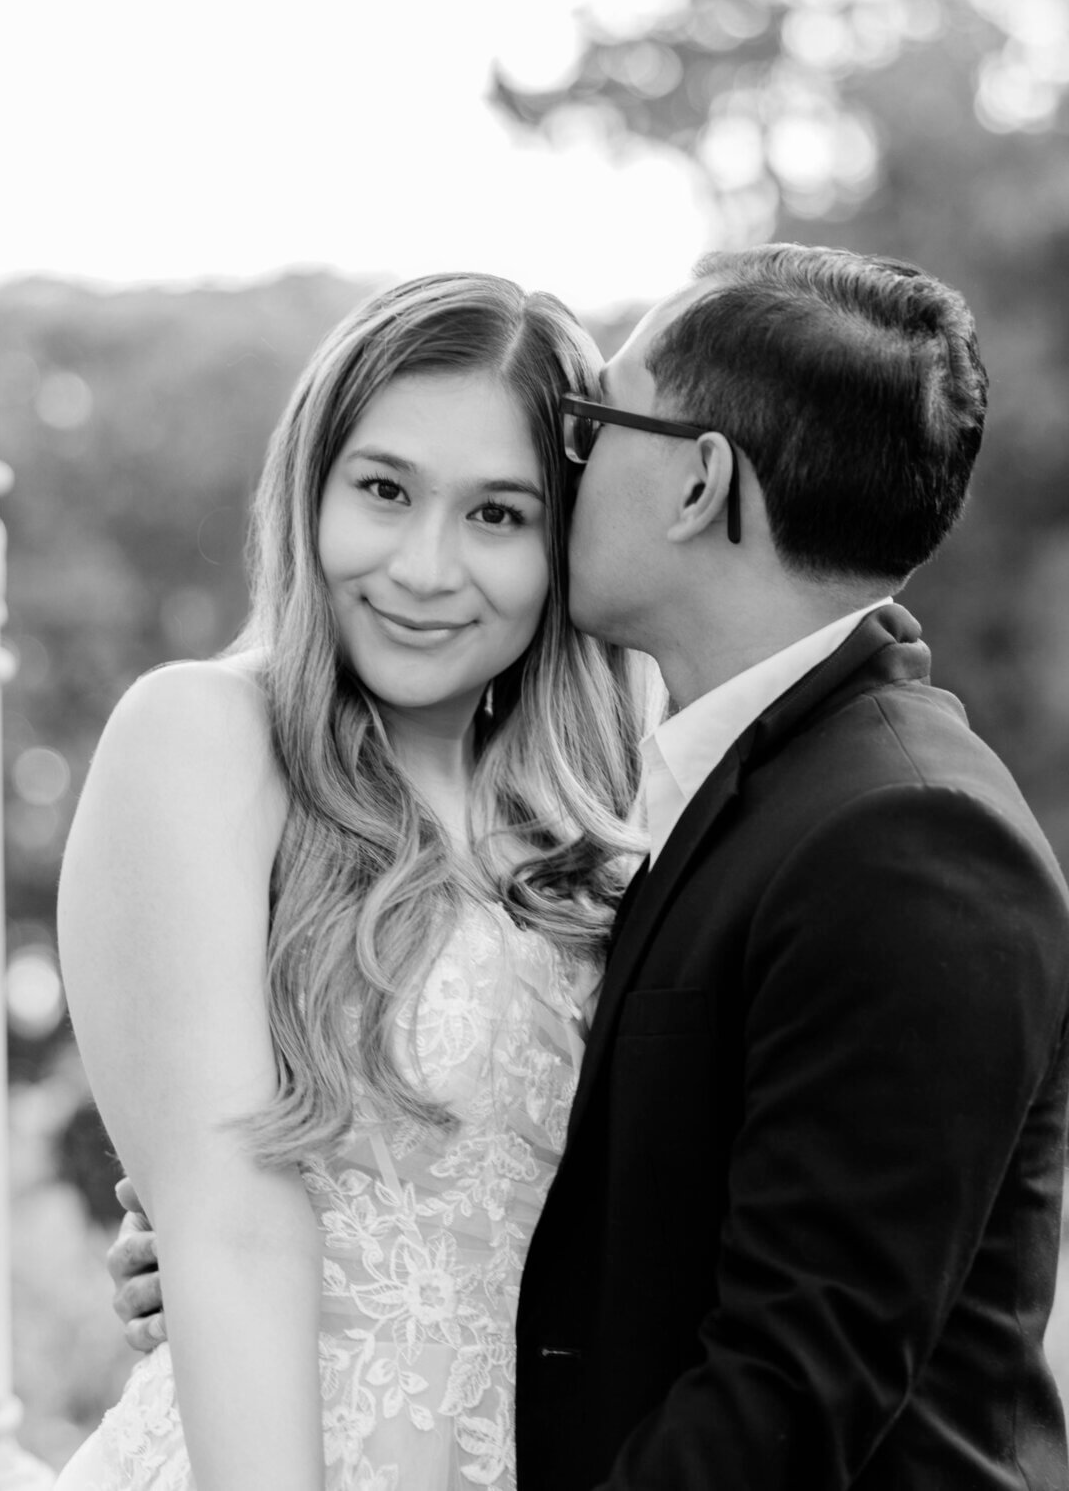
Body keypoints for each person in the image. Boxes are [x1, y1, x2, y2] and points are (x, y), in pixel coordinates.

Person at [108, 243, 1069, 1490]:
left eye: (524, 491)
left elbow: (786, 1386)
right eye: (383, 491)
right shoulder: (674, 788)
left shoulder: (893, 836)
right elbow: (258, 1217)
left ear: (696, 484)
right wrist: (198, 1241)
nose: (426, 565)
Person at [54, 272, 648, 1491]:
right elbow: (230, 1232)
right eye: (383, 491)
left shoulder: (601, 823)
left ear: (564, 545)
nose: (425, 568)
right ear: (308, 490)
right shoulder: (205, 737)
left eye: (498, 515)